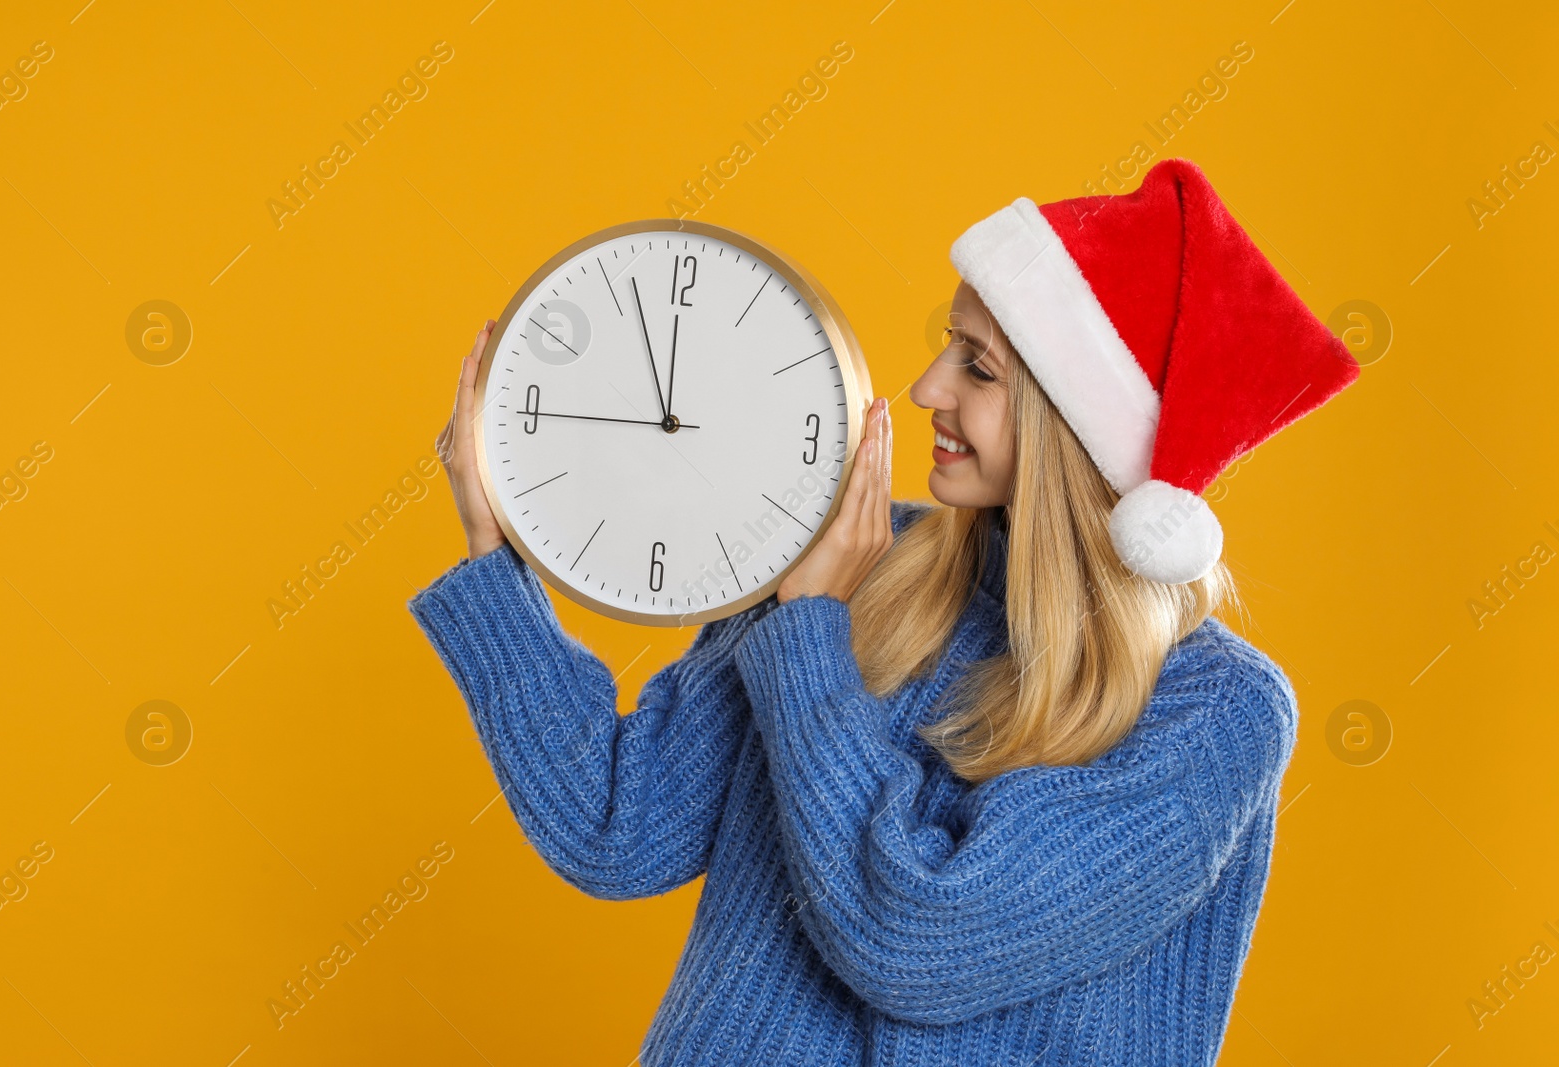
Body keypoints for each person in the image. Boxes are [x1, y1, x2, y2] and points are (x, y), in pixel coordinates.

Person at [408, 157, 1360, 1066]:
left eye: (979, 369)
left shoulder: (1214, 713)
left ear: (1079, 430)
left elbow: (918, 939)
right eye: (951, 345)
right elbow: (616, 823)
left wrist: (808, 638)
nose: (926, 388)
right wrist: (495, 553)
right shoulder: (856, 567)